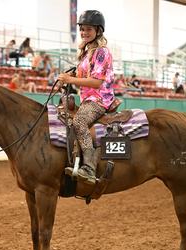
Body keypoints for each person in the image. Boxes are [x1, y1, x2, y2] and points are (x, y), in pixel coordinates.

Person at [58, 10, 114, 184]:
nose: (84, 32)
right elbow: (83, 76)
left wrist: (71, 79)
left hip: (100, 99)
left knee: (79, 122)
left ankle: (89, 168)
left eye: (88, 29)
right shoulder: (86, 52)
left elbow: (97, 82)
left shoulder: (102, 52)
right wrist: (68, 78)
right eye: (82, 29)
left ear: (98, 30)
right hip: (87, 99)